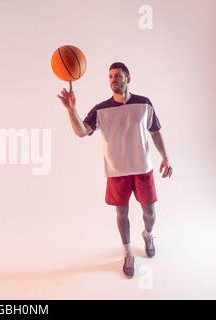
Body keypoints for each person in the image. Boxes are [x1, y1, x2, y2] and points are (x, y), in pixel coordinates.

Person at [57, 62, 173, 278]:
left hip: (142, 169)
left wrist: (166, 157)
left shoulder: (144, 104)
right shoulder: (102, 109)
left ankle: (148, 235)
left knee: (150, 212)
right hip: (117, 171)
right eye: (110, 77)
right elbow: (82, 132)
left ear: (128, 79)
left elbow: (155, 132)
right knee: (122, 212)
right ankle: (128, 252)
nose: (113, 80)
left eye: (117, 76)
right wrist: (71, 110)